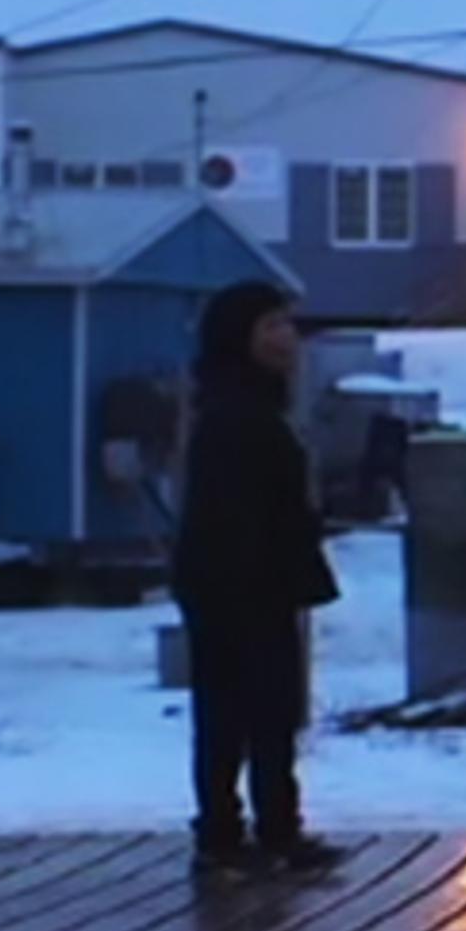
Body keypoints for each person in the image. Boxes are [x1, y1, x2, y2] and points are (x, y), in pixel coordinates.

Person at [174, 281, 342, 879]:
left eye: (286, 325)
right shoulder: (233, 413)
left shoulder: (257, 406)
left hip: (259, 580)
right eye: (270, 326)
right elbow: (232, 511)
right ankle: (223, 834)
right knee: (233, 712)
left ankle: (276, 827)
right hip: (235, 584)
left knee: (272, 710)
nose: (285, 338)